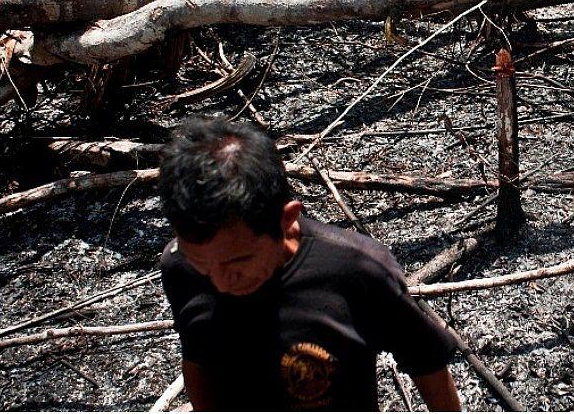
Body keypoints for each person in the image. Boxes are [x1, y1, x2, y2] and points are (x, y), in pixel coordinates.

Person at [156, 117, 462, 411]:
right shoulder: (179, 265)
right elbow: (197, 357)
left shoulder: (357, 270)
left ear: (286, 219)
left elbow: (427, 363)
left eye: (239, 261)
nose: (221, 282)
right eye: (203, 265)